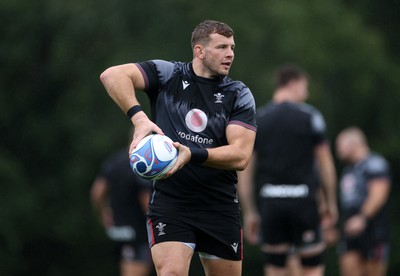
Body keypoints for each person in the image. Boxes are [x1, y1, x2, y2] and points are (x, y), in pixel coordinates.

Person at [100, 20, 257, 276]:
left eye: (232, 47)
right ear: (199, 51)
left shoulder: (237, 94)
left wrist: (190, 154)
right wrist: (140, 118)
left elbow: (240, 155)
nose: (230, 54)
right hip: (172, 203)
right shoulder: (168, 75)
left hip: (219, 204)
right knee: (171, 272)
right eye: (222, 47)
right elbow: (112, 75)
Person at [238, 64, 338, 276]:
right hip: (304, 201)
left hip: (271, 202)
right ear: (293, 84)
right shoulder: (311, 117)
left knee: (275, 268)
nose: (307, 93)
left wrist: (250, 211)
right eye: (304, 87)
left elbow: (244, 169)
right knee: (312, 267)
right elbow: (326, 165)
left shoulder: (258, 119)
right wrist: (330, 203)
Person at [336, 127, 391, 276]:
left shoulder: (375, 164)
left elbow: (379, 194)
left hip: (373, 230)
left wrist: (362, 218)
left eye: (340, 145)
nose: (337, 149)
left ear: (353, 144)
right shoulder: (349, 170)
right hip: (349, 231)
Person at [91, 148, 152, 276]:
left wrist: (104, 212)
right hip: (138, 233)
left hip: (117, 231)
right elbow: (146, 203)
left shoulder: (114, 162)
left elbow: (97, 192)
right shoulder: (143, 164)